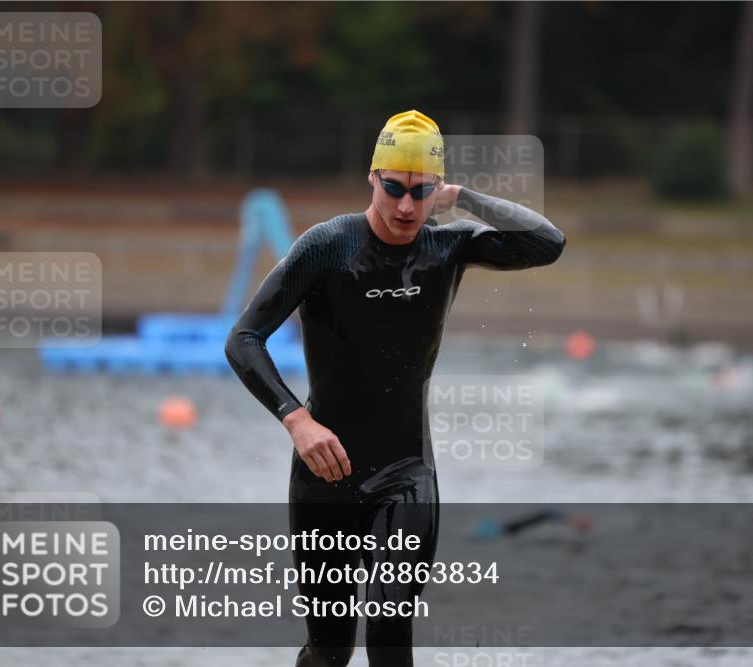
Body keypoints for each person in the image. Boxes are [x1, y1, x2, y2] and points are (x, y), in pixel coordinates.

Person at [225, 110, 565, 666]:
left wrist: (467, 199)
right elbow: (243, 339)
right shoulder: (326, 248)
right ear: (372, 178)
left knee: (388, 626)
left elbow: (548, 243)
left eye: (420, 191)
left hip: (406, 474)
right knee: (331, 650)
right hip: (324, 476)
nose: (406, 207)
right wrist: (296, 419)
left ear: (437, 189)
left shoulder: (448, 247)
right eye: (394, 188)